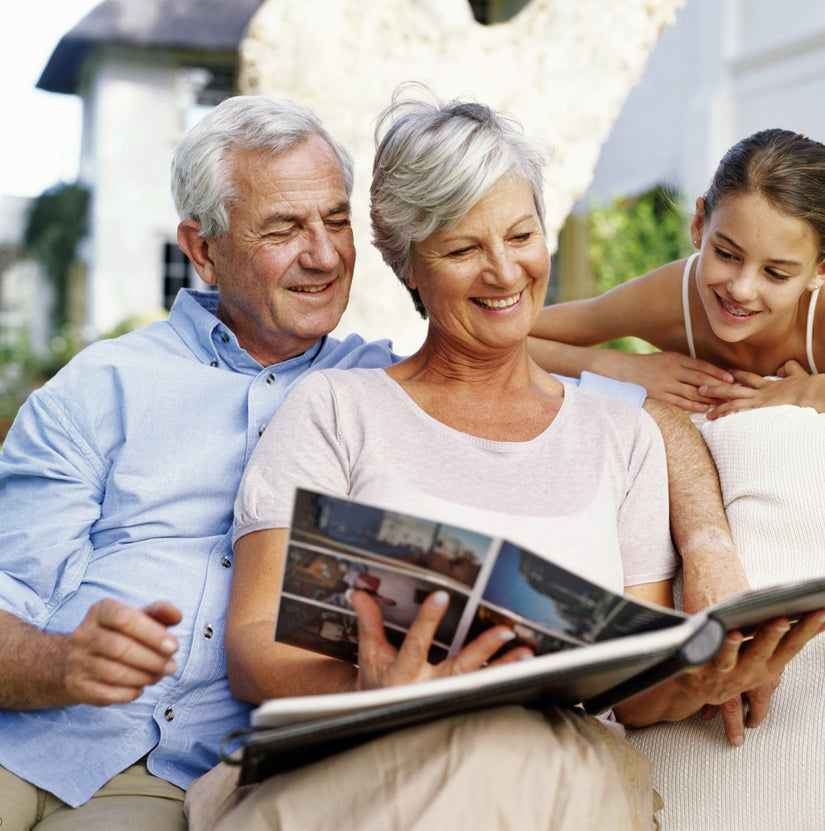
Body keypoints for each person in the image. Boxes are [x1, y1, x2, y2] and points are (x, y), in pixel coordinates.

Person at [0, 96, 759, 830]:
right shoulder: (114, 391)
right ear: (201, 249)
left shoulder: (391, 383)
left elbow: (597, 394)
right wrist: (62, 660)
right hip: (46, 733)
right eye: (284, 228)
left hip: (187, 774)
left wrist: (709, 552)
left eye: (335, 220)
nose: (324, 254)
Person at [187, 89, 825, 831]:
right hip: (366, 756)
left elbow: (636, 690)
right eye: (463, 249)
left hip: (551, 765)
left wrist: (703, 679)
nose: (504, 273)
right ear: (409, 268)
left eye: (521, 235)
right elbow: (255, 648)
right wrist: (376, 687)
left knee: (525, 758)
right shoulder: (335, 408)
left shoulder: (619, 436)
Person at [529, 128, 825, 442]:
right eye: (726, 254)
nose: (742, 289)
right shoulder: (676, 296)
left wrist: (806, 392)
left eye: (777, 273)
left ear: (820, 271)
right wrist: (618, 365)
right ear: (699, 226)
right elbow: (510, 336)